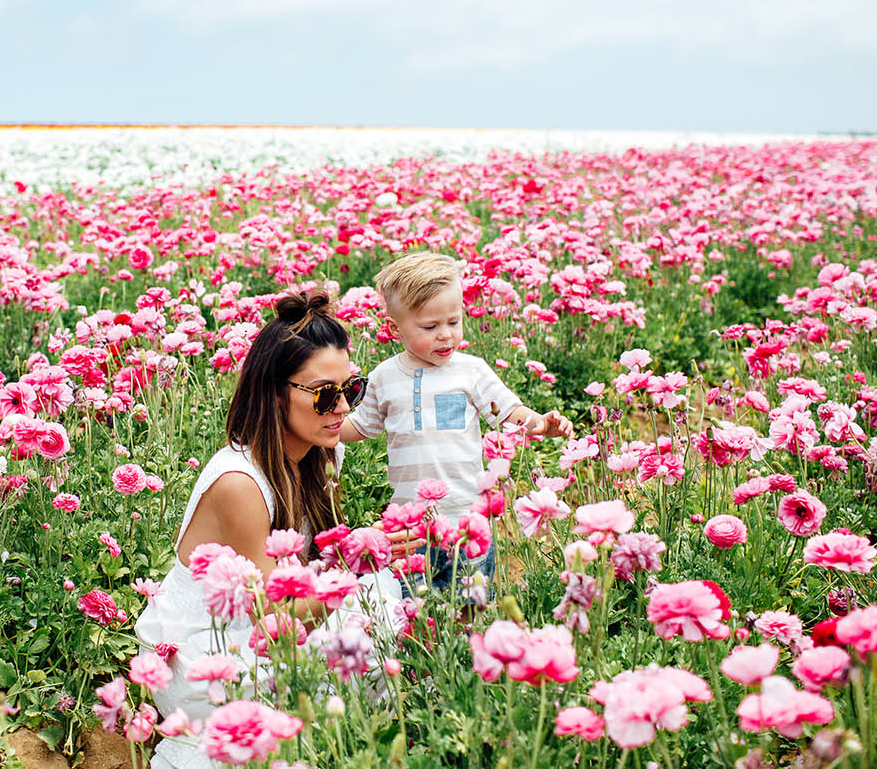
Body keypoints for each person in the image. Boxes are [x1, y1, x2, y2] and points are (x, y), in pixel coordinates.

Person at [136, 291, 402, 769]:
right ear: (276, 393)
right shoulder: (241, 483)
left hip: (267, 627)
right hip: (208, 651)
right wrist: (358, 565)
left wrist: (364, 559)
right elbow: (273, 618)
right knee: (364, 622)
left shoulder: (321, 453)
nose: (342, 408)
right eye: (324, 394)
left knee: (379, 607)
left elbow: (313, 570)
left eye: (352, 389)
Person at [340, 252, 572, 594]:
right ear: (394, 328)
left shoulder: (471, 370)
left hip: (466, 518)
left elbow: (508, 411)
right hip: (410, 525)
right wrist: (322, 429)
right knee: (414, 602)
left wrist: (540, 423)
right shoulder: (384, 377)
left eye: (453, 321)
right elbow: (362, 426)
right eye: (430, 327)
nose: (446, 335)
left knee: (469, 599)